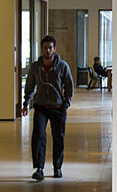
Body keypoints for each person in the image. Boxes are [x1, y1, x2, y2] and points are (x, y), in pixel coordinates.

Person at [22, 35, 74, 181]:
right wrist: (26, 102)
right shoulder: (35, 67)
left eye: (50, 48)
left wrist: (66, 103)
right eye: (45, 48)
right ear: (42, 49)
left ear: (54, 49)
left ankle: (57, 167)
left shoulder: (62, 66)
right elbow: (30, 85)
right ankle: (39, 168)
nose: (48, 50)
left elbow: (69, 85)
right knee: (38, 135)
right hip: (41, 106)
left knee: (58, 137)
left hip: (58, 107)